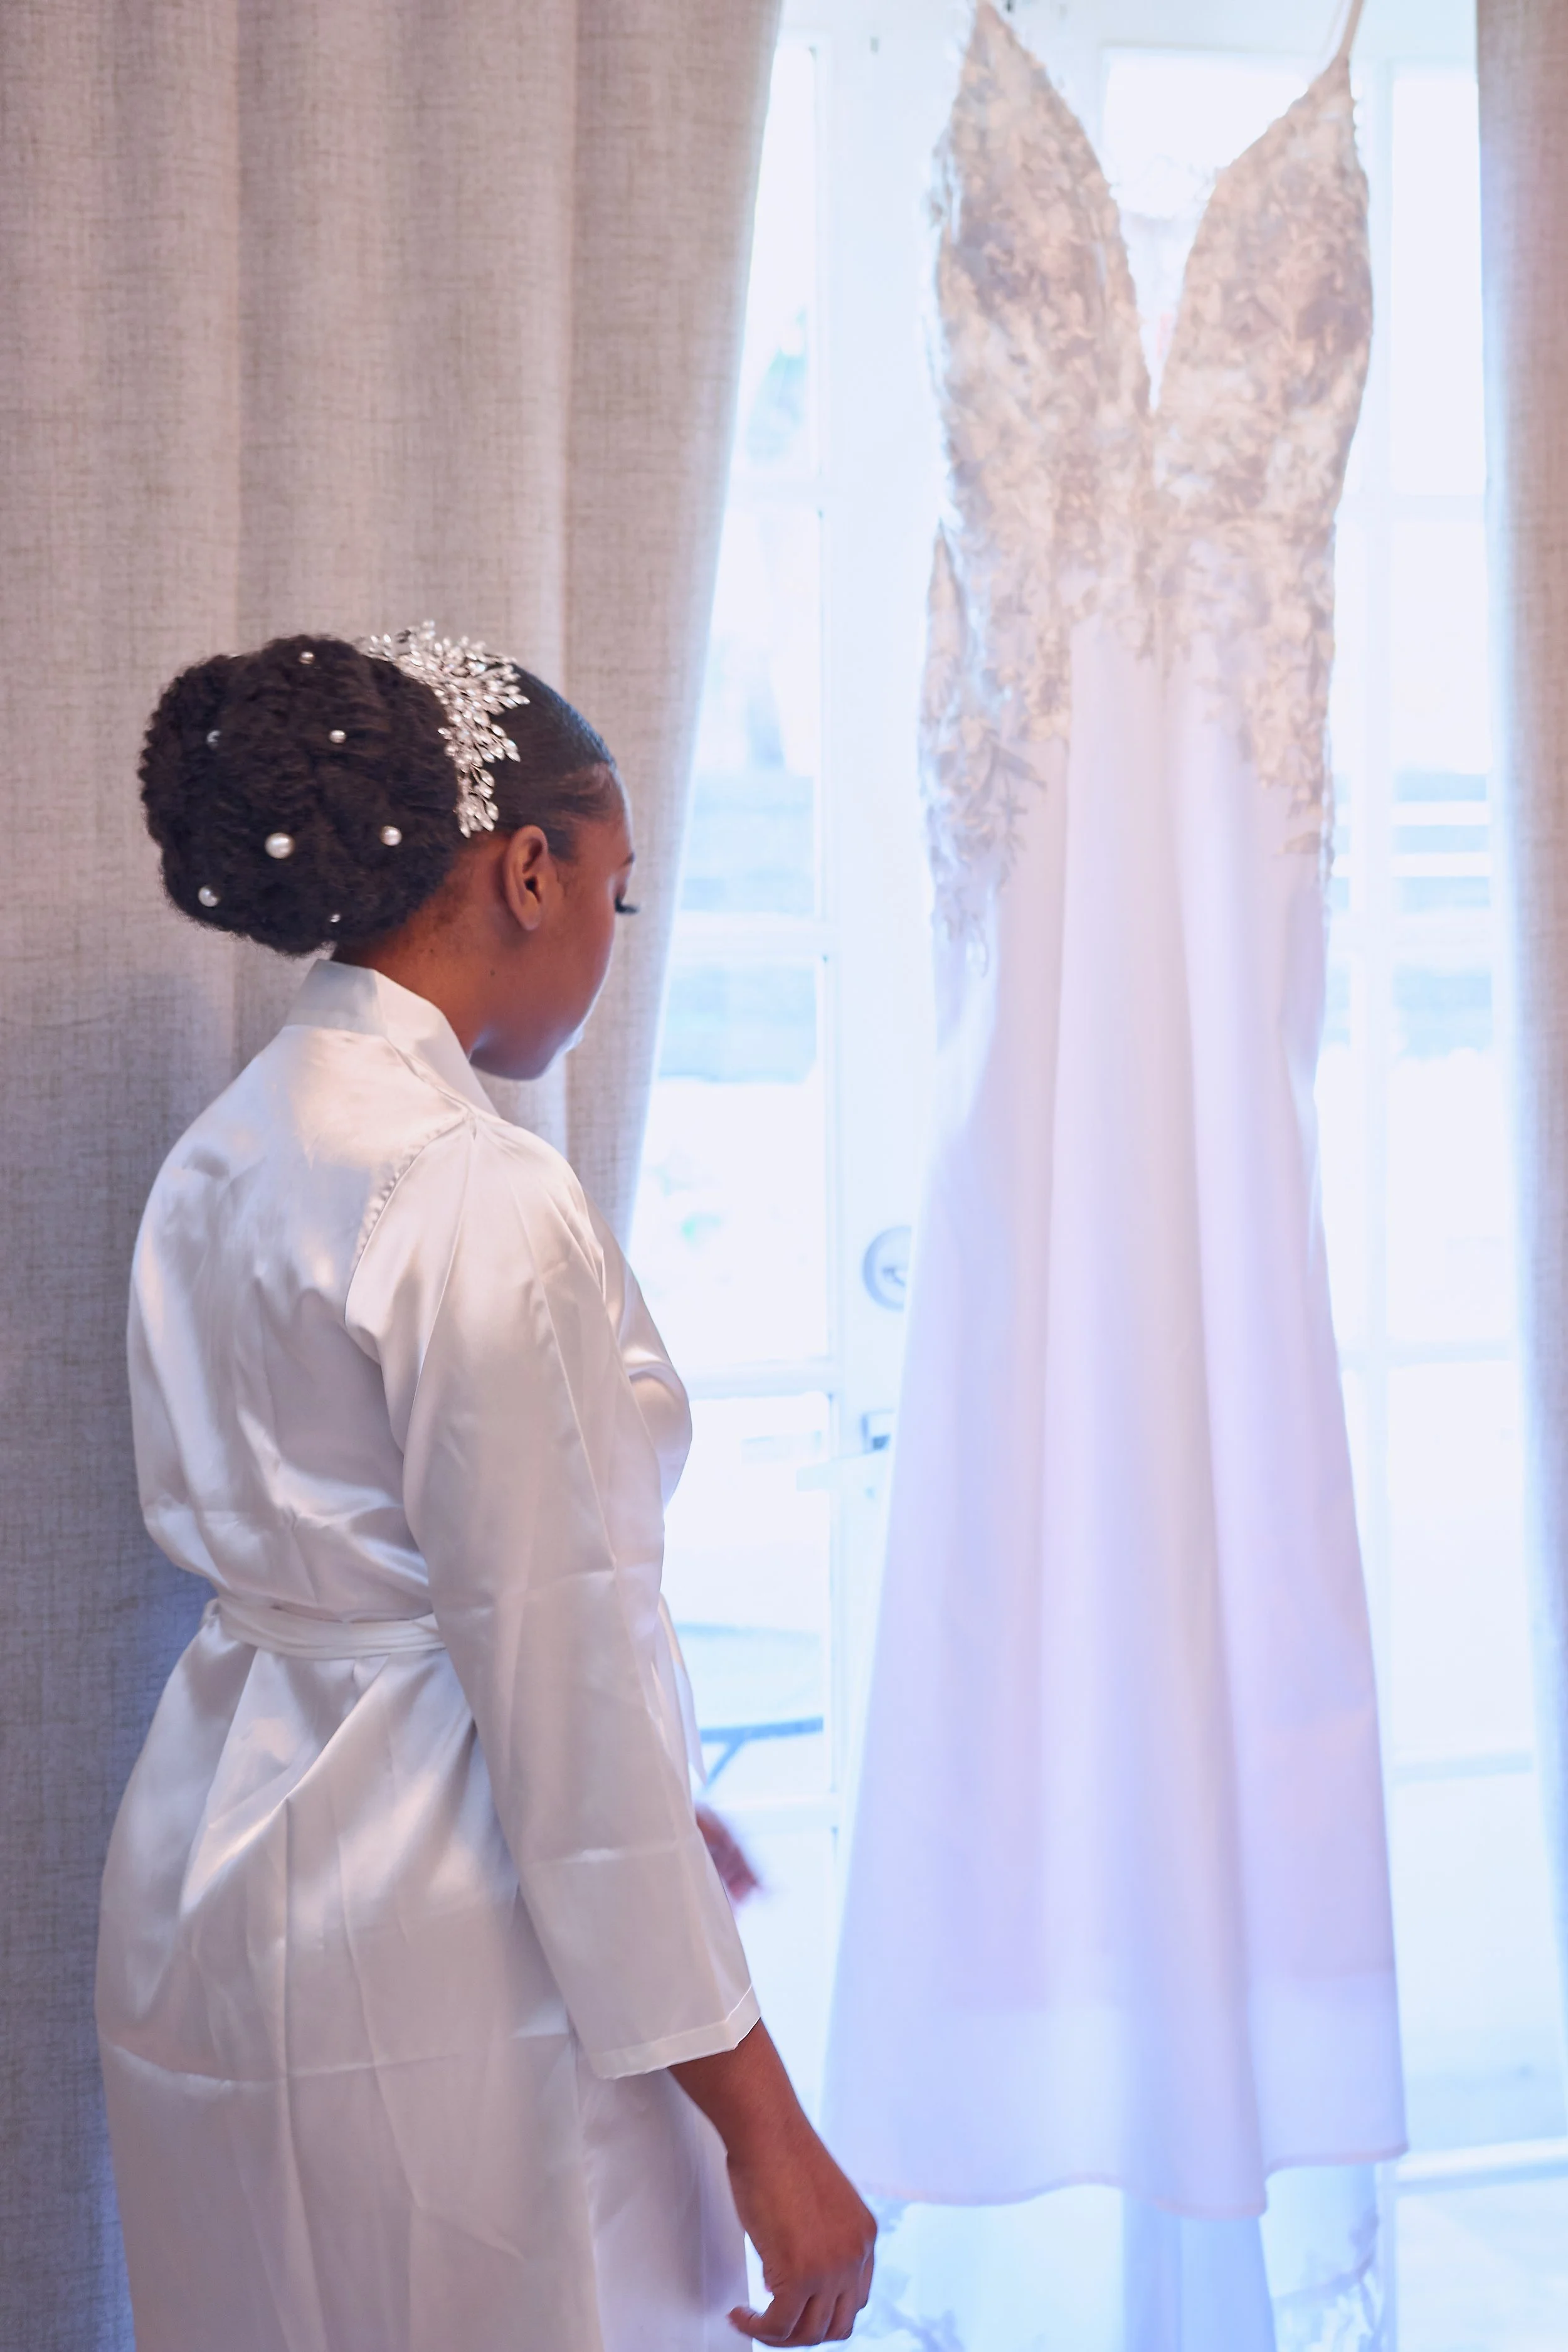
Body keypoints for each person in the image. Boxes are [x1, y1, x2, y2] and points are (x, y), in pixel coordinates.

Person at [97, 627, 875, 2352]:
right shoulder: (466, 1190)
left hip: (224, 1856)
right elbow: (557, 1682)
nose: (613, 935)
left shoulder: (232, 1141)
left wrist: (628, 1792)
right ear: (530, 868)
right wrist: (770, 2129)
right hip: (450, 1913)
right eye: (618, 892)